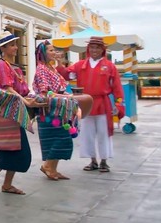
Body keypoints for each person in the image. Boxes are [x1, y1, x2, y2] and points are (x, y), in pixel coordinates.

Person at [0, 31, 42, 195]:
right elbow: (8, 89)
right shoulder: (1, 66)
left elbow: (21, 91)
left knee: (15, 149)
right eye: (12, 45)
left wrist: (31, 99)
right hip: (4, 115)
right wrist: (25, 101)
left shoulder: (14, 68)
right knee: (14, 150)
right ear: (3, 48)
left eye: (15, 44)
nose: (16, 47)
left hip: (14, 114)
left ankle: (7, 184)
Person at [66, 36, 123, 173]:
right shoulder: (80, 65)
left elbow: (117, 87)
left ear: (102, 49)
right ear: (88, 49)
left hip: (102, 103)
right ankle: (93, 160)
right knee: (87, 133)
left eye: (97, 47)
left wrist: (119, 103)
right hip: (85, 103)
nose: (94, 50)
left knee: (104, 133)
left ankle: (104, 161)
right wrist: (60, 63)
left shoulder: (109, 66)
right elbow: (67, 75)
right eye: (92, 47)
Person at [32, 40, 72, 180]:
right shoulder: (41, 69)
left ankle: (53, 168)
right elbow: (45, 92)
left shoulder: (51, 68)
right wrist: (64, 96)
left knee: (62, 137)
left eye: (54, 50)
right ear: (43, 53)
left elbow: (61, 86)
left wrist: (66, 95)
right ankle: (48, 166)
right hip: (49, 110)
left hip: (59, 108)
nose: (54, 52)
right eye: (50, 50)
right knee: (57, 138)